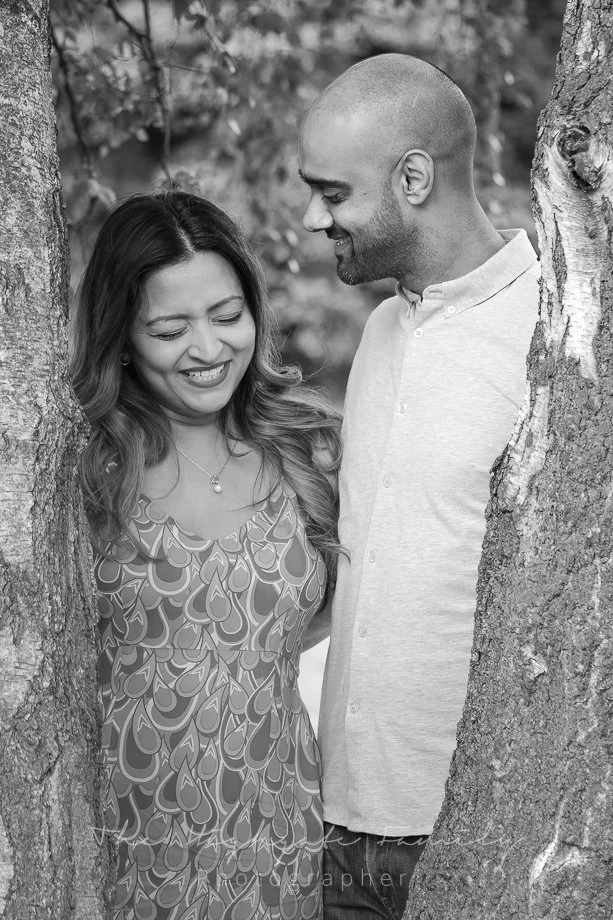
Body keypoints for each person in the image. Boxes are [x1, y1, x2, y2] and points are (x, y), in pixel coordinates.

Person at [298, 53, 540, 919]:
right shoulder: (379, 333)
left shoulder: (551, 336)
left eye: (331, 193)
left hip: (474, 836)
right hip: (339, 825)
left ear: (412, 178)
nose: (310, 218)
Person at [71, 190, 342, 920]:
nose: (208, 348)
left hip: (276, 845)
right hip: (120, 855)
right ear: (121, 335)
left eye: (227, 316)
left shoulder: (307, 451)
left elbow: (320, 623)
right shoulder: (80, 470)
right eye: (169, 329)